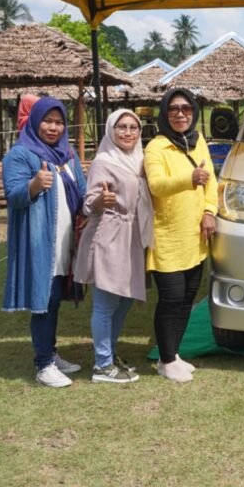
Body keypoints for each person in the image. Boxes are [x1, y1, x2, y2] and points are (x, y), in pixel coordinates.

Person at [2, 97, 87, 388]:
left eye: (59, 121)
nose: (53, 127)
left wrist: (97, 203)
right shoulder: (20, 155)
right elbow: (13, 196)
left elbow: (83, 193)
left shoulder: (68, 156)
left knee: (54, 302)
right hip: (41, 243)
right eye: (47, 121)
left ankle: (50, 352)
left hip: (65, 242)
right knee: (43, 303)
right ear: (35, 121)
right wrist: (35, 185)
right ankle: (43, 364)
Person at [73, 109, 154, 384]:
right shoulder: (104, 161)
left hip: (133, 236)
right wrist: (99, 202)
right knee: (106, 302)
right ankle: (102, 365)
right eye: (122, 127)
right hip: (109, 234)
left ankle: (109, 352)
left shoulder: (140, 160)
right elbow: (88, 202)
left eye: (133, 127)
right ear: (111, 130)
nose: (128, 132)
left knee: (125, 298)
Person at [145, 87, 218, 383]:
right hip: (167, 235)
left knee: (188, 297)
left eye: (186, 109)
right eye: (174, 109)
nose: (180, 114)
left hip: (195, 235)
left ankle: (172, 355)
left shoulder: (199, 142)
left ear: (194, 113)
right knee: (171, 298)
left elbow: (211, 180)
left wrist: (210, 211)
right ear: (165, 113)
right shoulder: (156, 147)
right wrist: (188, 179)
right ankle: (165, 357)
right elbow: (156, 185)